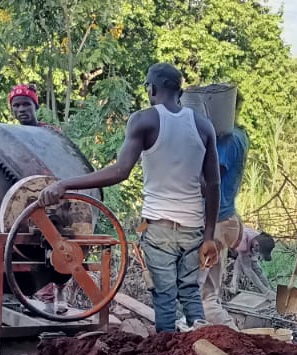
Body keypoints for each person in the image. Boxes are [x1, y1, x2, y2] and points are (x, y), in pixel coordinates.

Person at [39, 63, 219, 333]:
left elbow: (120, 171)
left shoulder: (144, 120)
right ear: (179, 91)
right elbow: (214, 184)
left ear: (152, 88)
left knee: (165, 296)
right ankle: (200, 341)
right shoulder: (204, 126)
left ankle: (166, 354)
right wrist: (209, 236)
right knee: (191, 291)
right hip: (193, 225)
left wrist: (66, 184)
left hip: (159, 227)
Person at [200, 92, 251, 327]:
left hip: (216, 221)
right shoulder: (241, 135)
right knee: (209, 292)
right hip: (225, 217)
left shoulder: (226, 142)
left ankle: (232, 339)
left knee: (204, 295)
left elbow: (212, 180)